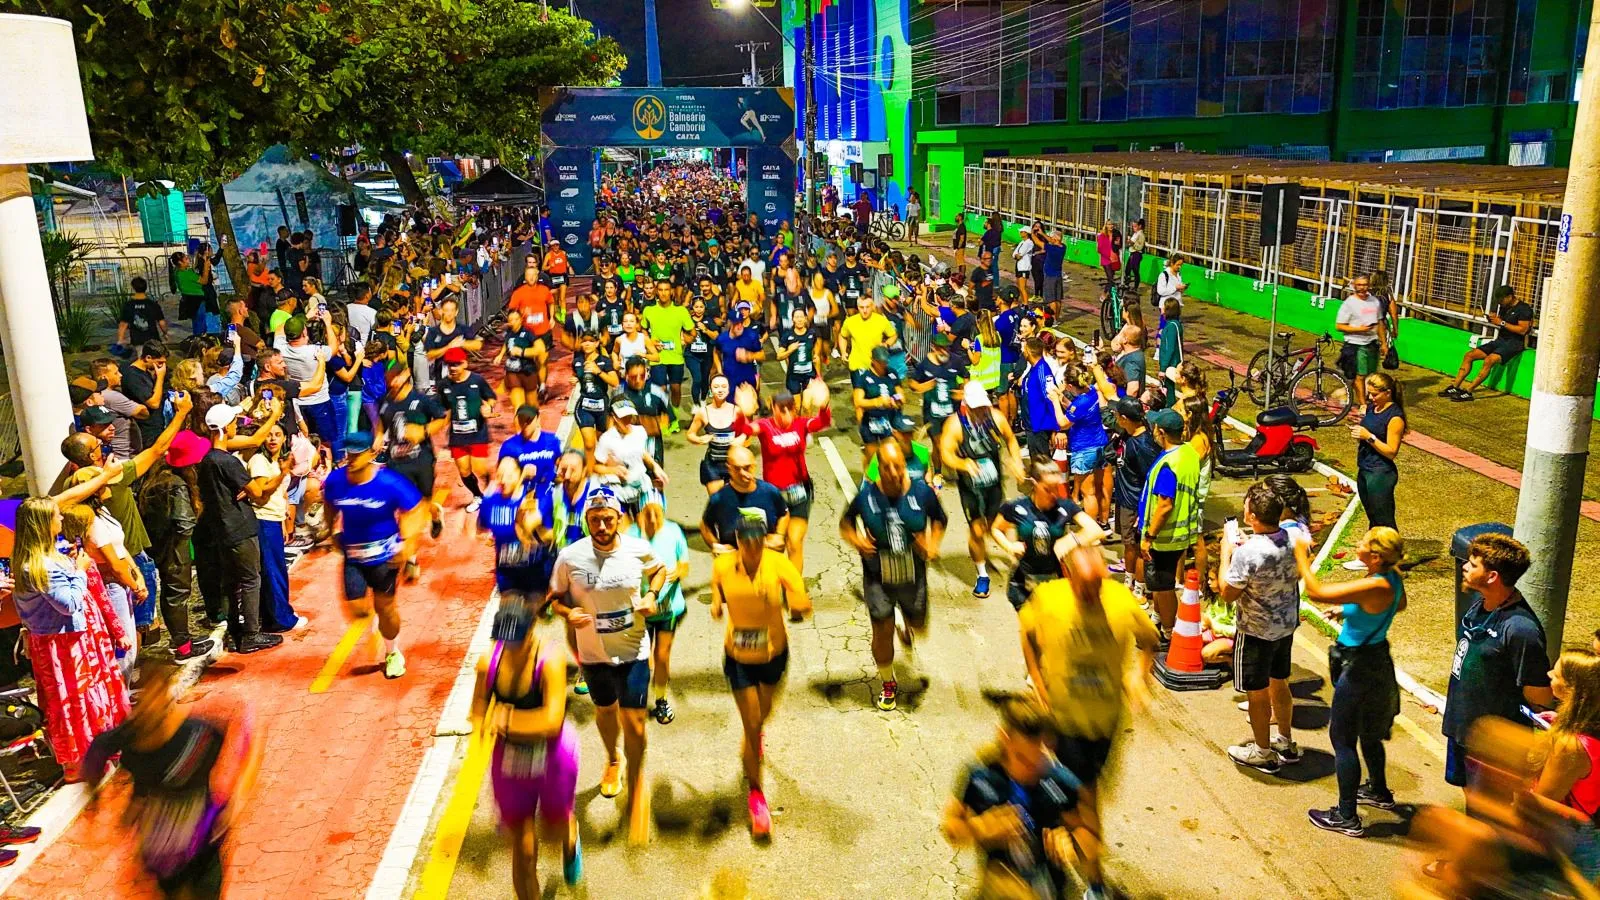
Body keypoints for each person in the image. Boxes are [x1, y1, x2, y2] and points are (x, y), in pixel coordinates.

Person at [1019, 545, 1157, 899]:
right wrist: (1036, 677)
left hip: (1105, 721)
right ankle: (1090, 881)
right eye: (1085, 586)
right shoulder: (1049, 598)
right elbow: (1027, 633)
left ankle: (1059, 854)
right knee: (1082, 800)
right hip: (1062, 722)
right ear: (1069, 576)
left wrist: (1140, 676)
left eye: (1097, 585)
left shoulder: (1120, 600)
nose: (1092, 593)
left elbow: (1150, 640)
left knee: (1075, 800)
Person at [82, 659, 260, 899]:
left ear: (167, 699)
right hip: (161, 850)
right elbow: (98, 751)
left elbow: (250, 730)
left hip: (203, 838)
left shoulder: (198, 735)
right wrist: (95, 798)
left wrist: (239, 794)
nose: (147, 710)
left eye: (155, 698)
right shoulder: (131, 735)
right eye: (143, 701)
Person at [547, 490, 666, 845]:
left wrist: (651, 596)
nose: (601, 526)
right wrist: (570, 613)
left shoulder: (636, 549)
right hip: (595, 655)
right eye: (595, 520)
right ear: (587, 521)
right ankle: (613, 757)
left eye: (608, 519)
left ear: (619, 520)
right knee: (606, 712)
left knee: (636, 719)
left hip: (634, 649)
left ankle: (637, 775)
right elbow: (554, 598)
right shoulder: (570, 557)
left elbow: (659, 570)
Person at [1296, 526, 1405, 837]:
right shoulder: (1392, 578)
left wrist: (1300, 556)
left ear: (1374, 555)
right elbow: (1398, 605)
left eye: (1363, 542)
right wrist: (1353, 610)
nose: (1357, 544)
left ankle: (1347, 815)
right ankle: (1378, 790)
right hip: (1378, 660)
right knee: (1370, 735)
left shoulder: (1374, 584)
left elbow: (1315, 592)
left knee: (1342, 740)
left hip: (1358, 667)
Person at [12, 496, 130, 782]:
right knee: (73, 702)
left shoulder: (44, 560)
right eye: (56, 515)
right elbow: (69, 604)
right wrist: (79, 572)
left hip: (73, 641)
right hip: (65, 647)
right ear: (43, 524)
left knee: (86, 700)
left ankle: (99, 751)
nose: (61, 519)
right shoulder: (39, 566)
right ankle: (81, 761)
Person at [470, 605, 582, 898]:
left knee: (554, 828)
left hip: (553, 759)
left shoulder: (550, 661)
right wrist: (483, 722)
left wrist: (506, 719)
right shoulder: (488, 664)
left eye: (517, 641)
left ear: (532, 632)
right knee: (523, 850)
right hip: (511, 763)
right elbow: (478, 709)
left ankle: (571, 833)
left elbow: (551, 722)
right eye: (506, 642)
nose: (512, 648)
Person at [942, 692, 1100, 900]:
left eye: (1038, 760)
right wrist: (978, 828)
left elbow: (1092, 839)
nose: (1031, 771)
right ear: (1004, 738)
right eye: (1022, 759)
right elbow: (950, 827)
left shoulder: (1060, 780)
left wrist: (1072, 844)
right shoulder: (979, 774)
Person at [711, 517, 811, 840]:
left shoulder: (779, 564)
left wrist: (799, 606)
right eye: (746, 541)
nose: (752, 548)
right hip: (738, 657)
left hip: (773, 655)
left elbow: (801, 597)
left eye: (758, 541)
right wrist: (715, 605)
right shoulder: (724, 565)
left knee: (762, 717)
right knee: (752, 724)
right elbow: (717, 590)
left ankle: (753, 743)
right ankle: (756, 796)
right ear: (738, 540)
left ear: (764, 540)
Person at [839, 441, 946, 712]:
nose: (896, 472)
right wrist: (858, 542)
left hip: (913, 574)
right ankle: (888, 683)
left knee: (920, 626)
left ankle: (906, 622)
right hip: (878, 575)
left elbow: (940, 519)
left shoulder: (922, 492)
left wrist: (932, 544)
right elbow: (845, 524)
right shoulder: (867, 498)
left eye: (899, 466)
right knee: (881, 632)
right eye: (888, 467)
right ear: (879, 469)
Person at [1443, 533, 1552, 789]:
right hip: (1462, 730)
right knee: (1470, 803)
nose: (1465, 566)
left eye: (1473, 563)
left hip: (1493, 748)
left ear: (1492, 576)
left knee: (1489, 815)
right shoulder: (1480, 606)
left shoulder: (1520, 629)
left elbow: (1539, 696)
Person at [321, 430, 428, 679]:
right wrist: (330, 531)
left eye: (358, 454)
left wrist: (408, 549)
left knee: (386, 609)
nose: (353, 459)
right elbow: (329, 504)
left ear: (371, 454)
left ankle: (393, 652)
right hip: (353, 555)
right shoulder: (336, 481)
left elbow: (415, 510)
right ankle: (377, 625)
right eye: (349, 453)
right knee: (357, 610)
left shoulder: (389, 482)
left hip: (384, 556)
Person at [1218, 483, 1303, 773]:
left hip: (1255, 631)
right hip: (1285, 626)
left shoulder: (1247, 554)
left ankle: (1262, 751)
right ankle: (1285, 741)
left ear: (1252, 516)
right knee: (1280, 682)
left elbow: (1227, 592)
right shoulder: (1294, 538)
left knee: (1256, 693)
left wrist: (1226, 553)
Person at [197, 404, 283, 655]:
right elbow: (257, 493)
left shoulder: (207, 461)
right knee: (250, 579)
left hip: (222, 529)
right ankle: (251, 635)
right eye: (235, 421)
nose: (237, 425)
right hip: (240, 528)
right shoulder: (227, 461)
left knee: (233, 581)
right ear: (225, 428)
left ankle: (237, 631)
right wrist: (278, 475)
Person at [733, 381, 831, 573]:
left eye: (790, 410)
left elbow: (822, 423)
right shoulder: (765, 426)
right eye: (781, 410)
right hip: (774, 495)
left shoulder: (801, 424)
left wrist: (824, 405)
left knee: (795, 543)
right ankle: (775, 582)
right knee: (777, 546)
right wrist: (742, 413)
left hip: (799, 491)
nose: (786, 414)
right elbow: (743, 432)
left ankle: (794, 589)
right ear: (773, 409)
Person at [938, 382, 1024, 600]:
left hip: (993, 482)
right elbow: (945, 452)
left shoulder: (995, 417)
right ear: (966, 405)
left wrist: (1016, 461)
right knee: (977, 530)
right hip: (971, 486)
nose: (981, 411)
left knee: (1001, 524)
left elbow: (1011, 440)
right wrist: (962, 463)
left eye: (983, 407)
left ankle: (1017, 563)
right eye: (976, 408)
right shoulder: (956, 425)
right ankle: (982, 573)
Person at [994, 458, 1107, 613]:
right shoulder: (1017, 507)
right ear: (1035, 484)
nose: (1054, 494)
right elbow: (996, 529)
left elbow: (1096, 530)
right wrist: (1009, 546)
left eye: (1056, 488)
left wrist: (1072, 539)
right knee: (1033, 630)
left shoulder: (1064, 507)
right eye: (1048, 489)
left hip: (1054, 581)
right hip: (1024, 584)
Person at [627, 498, 689, 726]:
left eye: (657, 513)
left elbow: (684, 565)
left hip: (668, 608)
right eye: (647, 513)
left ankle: (661, 699)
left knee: (661, 656)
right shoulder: (630, 535)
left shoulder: (673, 532)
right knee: (640, 659)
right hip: (640, 610)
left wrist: (676, 573)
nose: (653, 519)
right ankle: (637, 699)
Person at [378, 366, 449, 554]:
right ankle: (410, 556)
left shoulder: (422, 400)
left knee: (425, 500)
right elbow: (381, 424)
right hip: (397, 463)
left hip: (421, 460)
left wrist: (423, 431)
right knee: (405, 506)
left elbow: (443, 417)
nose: (391, 381)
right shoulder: (386, 402)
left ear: (405, 375)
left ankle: (435, 513)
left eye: (395, 376)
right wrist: (377, 440)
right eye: (388, 377)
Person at [244, 423, 303, 633]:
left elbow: (282, 493)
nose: (272, 439)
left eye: (278, 435)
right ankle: (280, 619)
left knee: (276, 568)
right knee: (272, 570)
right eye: (268, 435)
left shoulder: (277, 461)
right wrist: (283, 472)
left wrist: (286, 520)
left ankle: (280, 612)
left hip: (274, 518)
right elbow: (261, 493)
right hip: (263, 519)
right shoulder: (259, 461)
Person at [1442, 285, 1534, 402]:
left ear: (1510, 297)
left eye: (1502, 300)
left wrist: (1502, 323)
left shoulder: (1524, 309)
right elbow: (1502, 323)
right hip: (1500, 340)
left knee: (1489, 360)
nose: (1500, 303)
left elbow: (1523, 330)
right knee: (1469, 355)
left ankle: (1469, 391)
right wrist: (1494, 320)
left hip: (1514, 343)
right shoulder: (1505, 307)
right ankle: (1455, 386)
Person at [700, 444, 790, 555]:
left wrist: (780, 535)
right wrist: (715, 545)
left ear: (754, 466)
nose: (742, 473)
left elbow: (784, 514)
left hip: (766, 558)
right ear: (729, 469)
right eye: (737, 468)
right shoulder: (719, 499)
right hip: (735, 562)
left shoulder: (770, 492)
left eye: (747, 467)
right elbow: (705, 526)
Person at [439, 346, 497, 511]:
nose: (452, 368)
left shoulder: (477, 381)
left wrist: (488, 408)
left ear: (465, 363)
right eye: (449, 364)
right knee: (464, 471)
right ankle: (478, 495)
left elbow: (491, 397)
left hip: (478, 432)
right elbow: (445, 407)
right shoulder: (444, 385)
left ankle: (490, 486)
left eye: (456, 364)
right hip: (457, 436)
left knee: (479, 467)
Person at [908, 334, 970, 491]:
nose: (944, 352)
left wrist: (961, 392)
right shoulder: (925, 365)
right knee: (938, 444)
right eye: (941, 348)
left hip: (951, 411)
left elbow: (966, 377)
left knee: (954, 443)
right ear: (933, 347)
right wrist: (925, 386)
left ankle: (958, 469)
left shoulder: (955, 360)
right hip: (932, 413)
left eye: (947, 348)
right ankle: (937, 472)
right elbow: (912, 383)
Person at [1350, 371, 1405, 543]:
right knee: (1373, 516)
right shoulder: (1374, 408)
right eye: (1369, 394)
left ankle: (1394, 556)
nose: (1371, 398)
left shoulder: (1395, 417)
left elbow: (1391, 451)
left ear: (1387, 393)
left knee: (1384, 520)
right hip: (1365, 468)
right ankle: (1373, 551)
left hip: (1380, 473)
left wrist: (1368, 436)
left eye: (1374, 394)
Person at [686, 374, 744, 496]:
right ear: (711, 390)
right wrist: (699, 439)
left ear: (728, 389)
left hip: (733, 464)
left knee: (733, 502)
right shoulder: (703, 412)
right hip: (713, 464)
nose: (720, 390)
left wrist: (740, 440)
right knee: (717, 503)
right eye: (716, 387)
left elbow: (747, 432)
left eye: (724, 386)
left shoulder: (737, 411)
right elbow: (690, 434)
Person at [1335, 275, 1386, 409]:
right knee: (1361, 375)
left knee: (1371, 374)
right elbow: (1339, 325)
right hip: (1356, 343)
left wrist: (1384, 343)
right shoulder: (1349, 303)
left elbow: (1380, 322)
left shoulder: (1374, 301)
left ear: (1369, 286)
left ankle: (1345, 391)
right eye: (1359, 285)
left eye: (1365, 285)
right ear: (1355, 286)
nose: (1362, 288)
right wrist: (1359, 329)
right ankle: (1363, 404)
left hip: (1372, 342)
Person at [853, 345, 907, 469]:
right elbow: (858, 402)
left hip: (889, 419)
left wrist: (895, 400)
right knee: (871, 456)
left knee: (890, 453)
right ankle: (868, 480)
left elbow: (901, 394)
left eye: (885, 361)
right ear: (873, 361)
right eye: (881, 362)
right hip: (871, 421)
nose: (884, 365)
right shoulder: (864, 378)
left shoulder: (892, 374)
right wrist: (877, 402)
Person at [115, 277, 167, 352]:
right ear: (146, 288)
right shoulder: (152, 304)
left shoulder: (128, 305)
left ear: (133, 288)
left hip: (138, 339)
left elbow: (123, 324)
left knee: (142, 358)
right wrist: (165, 333)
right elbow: (161, 322)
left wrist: (120, 339)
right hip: (153, 338)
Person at [1156, 298, 1184, 408]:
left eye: (1164, 306)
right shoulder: (1172, 325)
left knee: (1169, 389)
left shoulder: (1172, 326)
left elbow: (1170, 348)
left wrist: (1163, 368)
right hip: (1170, 363)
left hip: (1171, 364)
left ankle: (1170, 408)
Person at [1011, 229, 1035, 305]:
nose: (1020, 233)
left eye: (1022, 232)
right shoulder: (1022, 242)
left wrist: (1017, 255)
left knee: (1022, 287)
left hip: (1024, 267)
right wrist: (1016, 255)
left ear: (1026, 233)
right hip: (1019, 266)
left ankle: (1026, 304)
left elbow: (1019, 255)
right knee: (1019, 287)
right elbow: (1014, 254)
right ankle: (1023, 303)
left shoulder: (1029, 243)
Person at [1124, 219, 1146, 292]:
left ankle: (1135, 287)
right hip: (1132, 252)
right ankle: (1126, 284)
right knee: (1127, 269)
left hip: (1137, 253)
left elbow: (1140, 247)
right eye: (1133, 226)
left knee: (1135, 270)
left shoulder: (1141, 235)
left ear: (1140, 226)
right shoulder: (1135, 234)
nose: (1133, 228)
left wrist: (1132, 243)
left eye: (1135, 226)